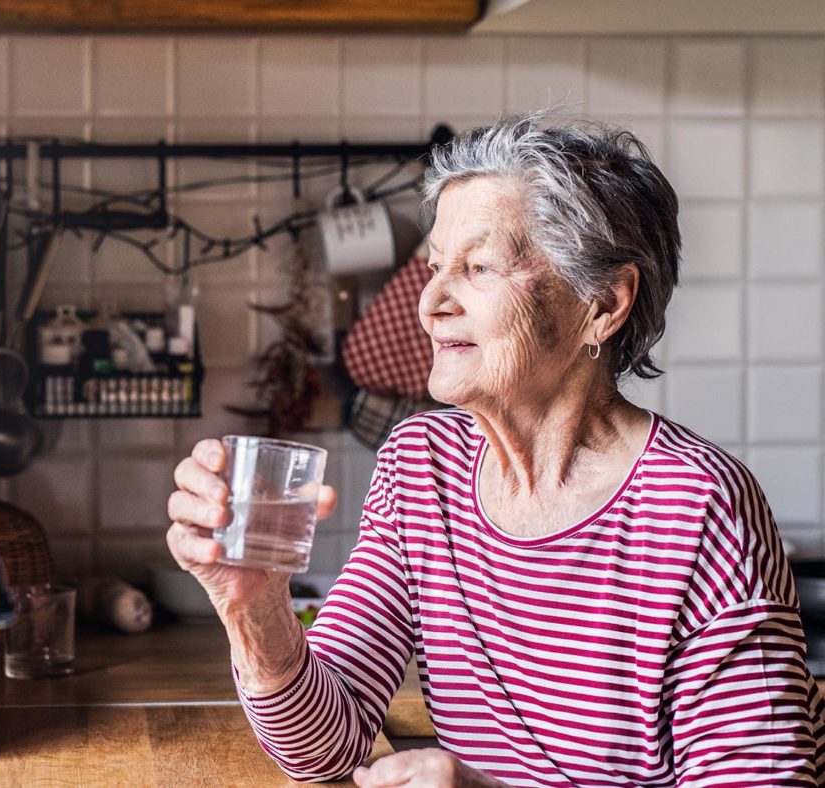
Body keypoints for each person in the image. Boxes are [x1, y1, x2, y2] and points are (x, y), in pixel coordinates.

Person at [166, 111, 825, 786]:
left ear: (602, 304)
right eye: (435, 266)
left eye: (479, 267)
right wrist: (256, 612)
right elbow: (322, 749)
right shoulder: (422, 467)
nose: (430, 303)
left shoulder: (698, 507)